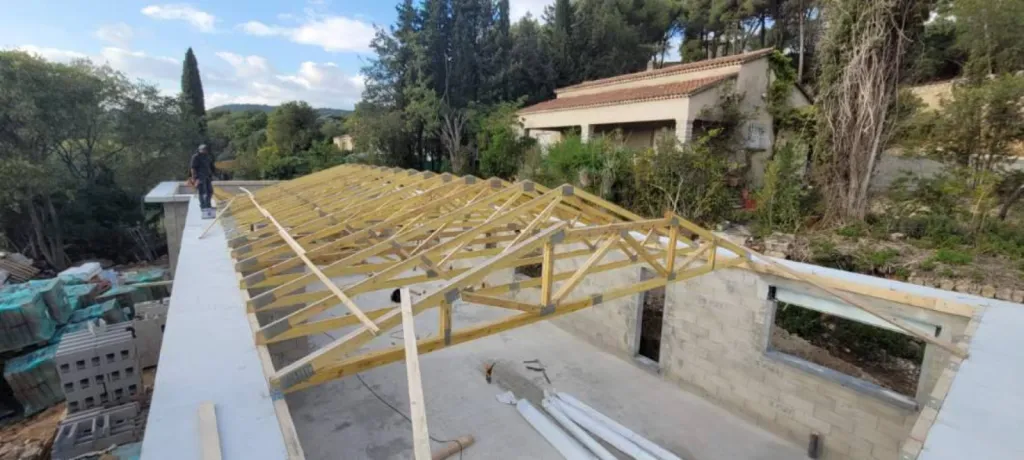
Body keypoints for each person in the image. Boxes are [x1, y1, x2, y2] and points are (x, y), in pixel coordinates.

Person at [189, 144, 216, 212]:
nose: (204, 151)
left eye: (205, 149)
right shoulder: (196, 157)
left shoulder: (207, 156)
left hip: (207, 177)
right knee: (202, 192)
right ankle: (203, 206)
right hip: (199, 177)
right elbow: (193, 168)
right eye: (203, 149)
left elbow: (210, 166)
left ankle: (208, 205)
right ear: (199, 150)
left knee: (210, 191)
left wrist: (212, 174)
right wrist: (193, 178)